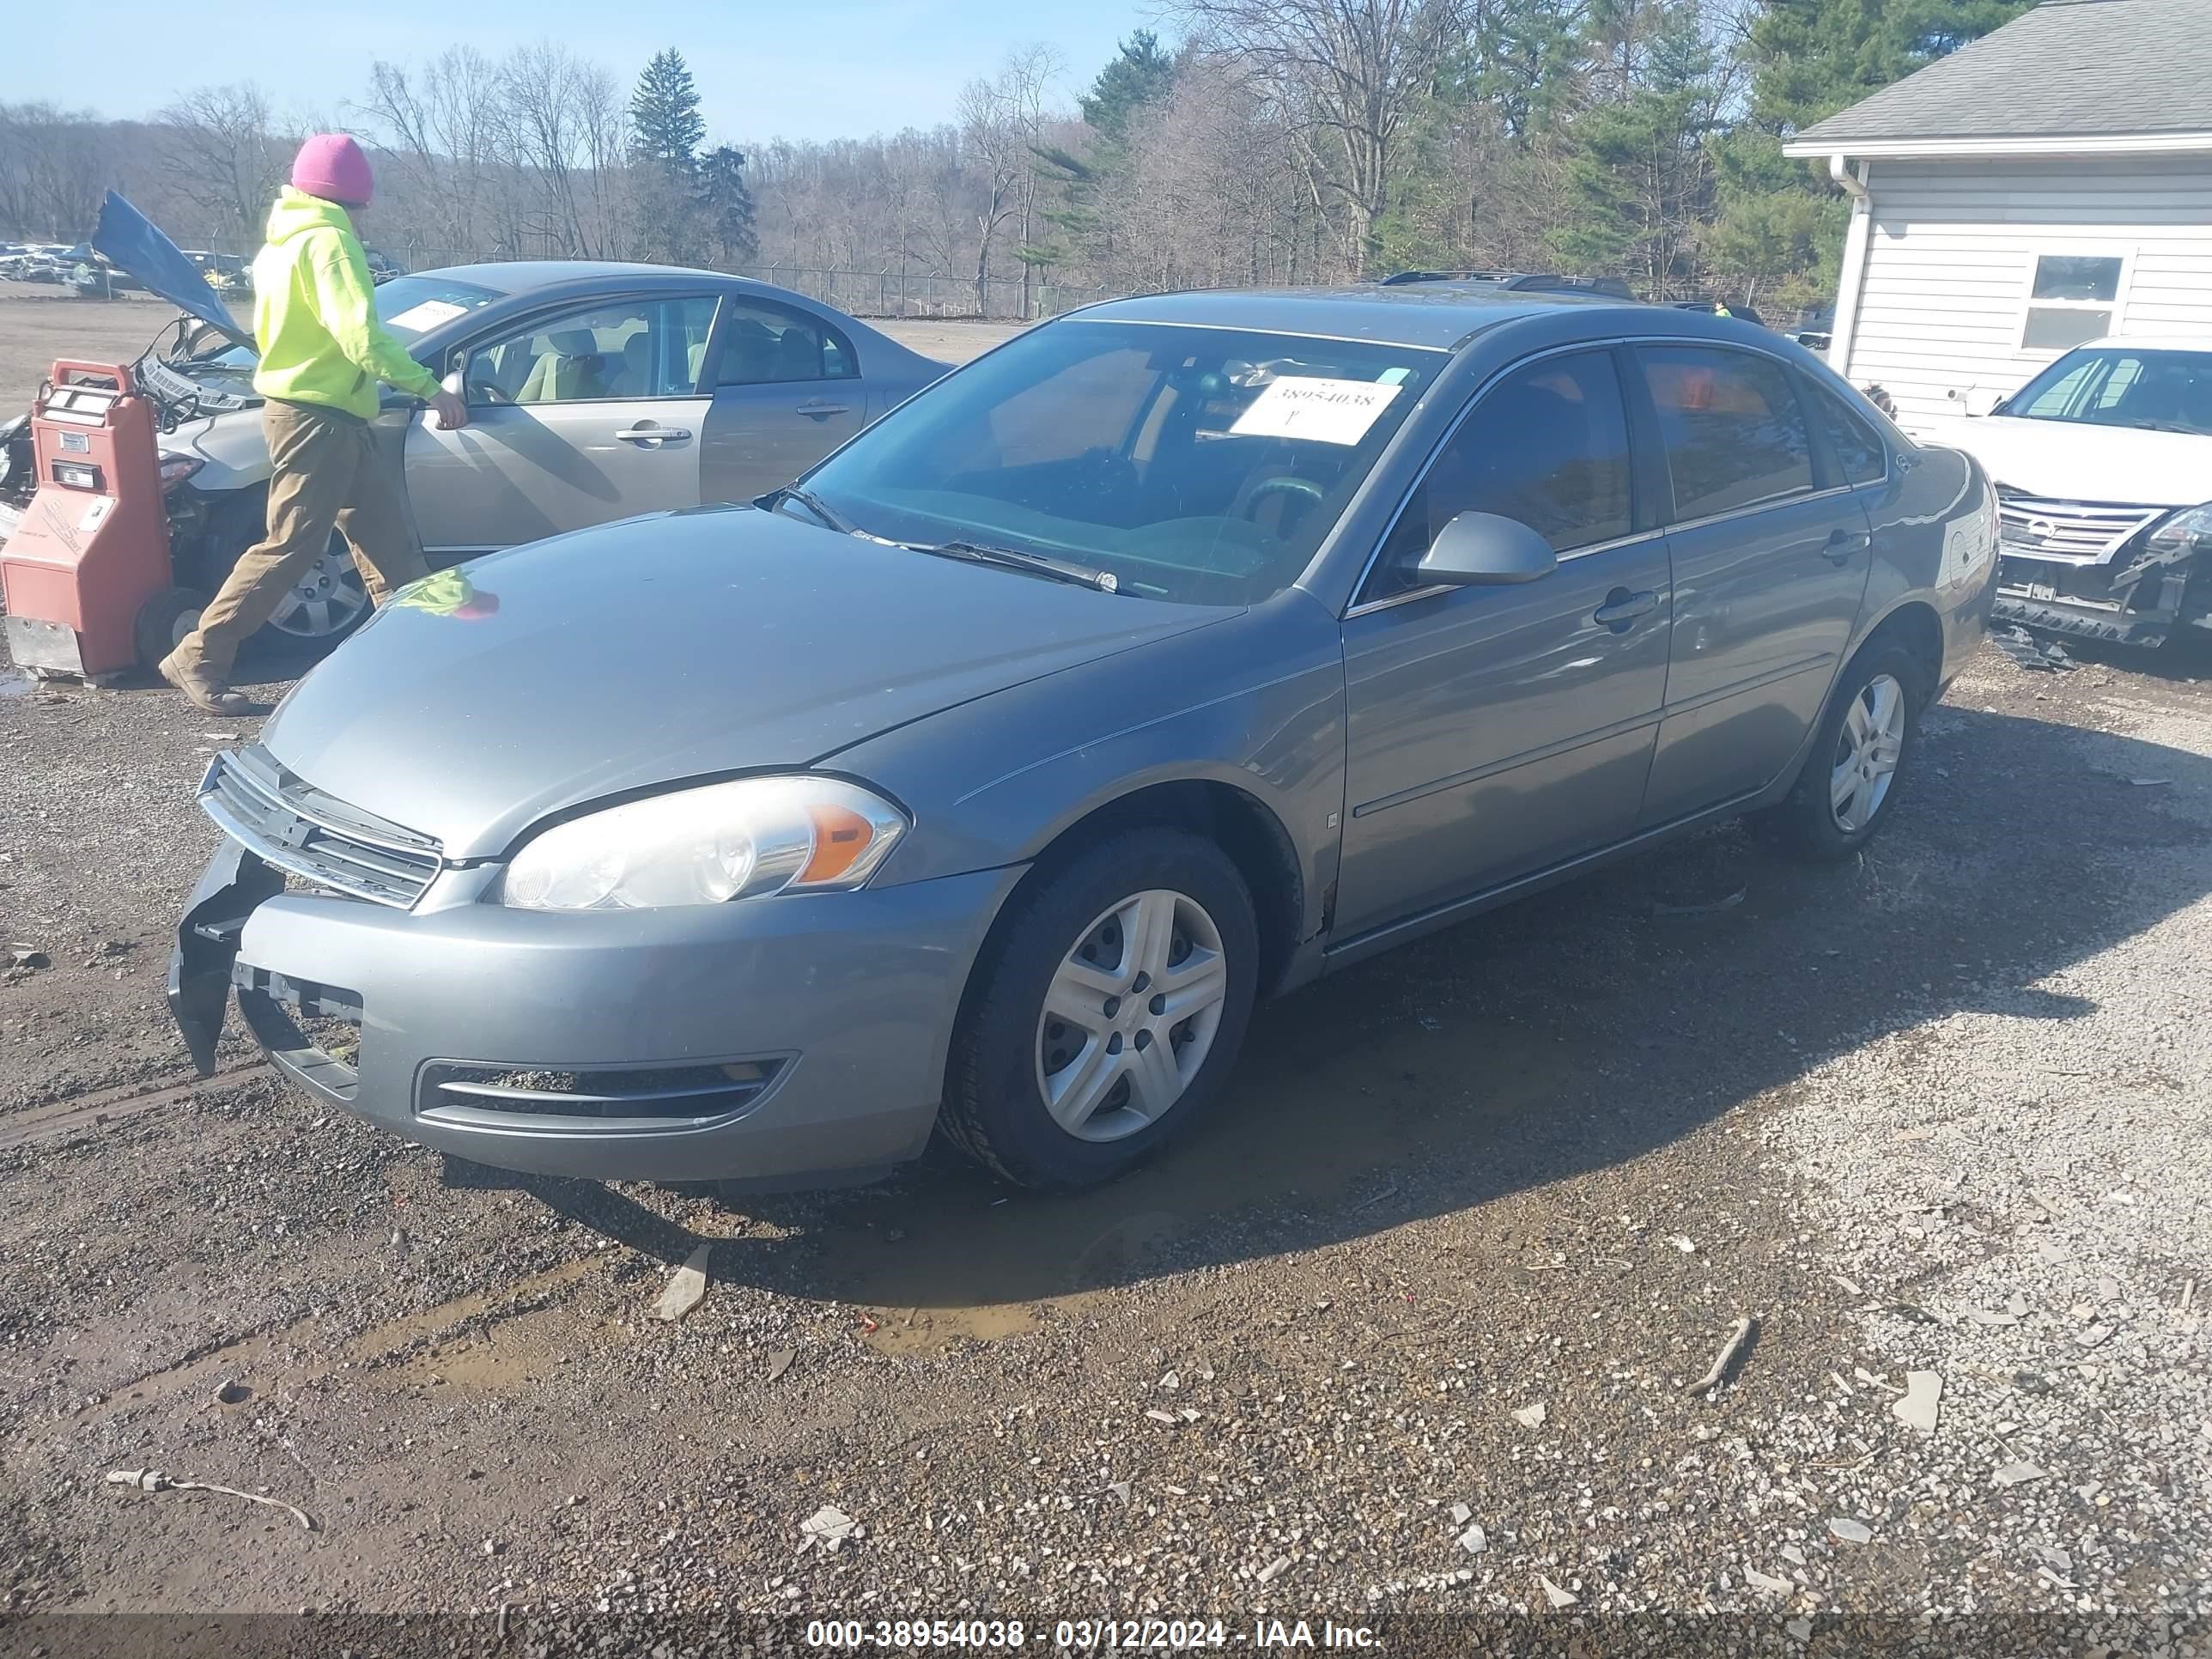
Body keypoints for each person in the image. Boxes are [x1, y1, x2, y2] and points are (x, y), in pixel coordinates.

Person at [160, 133, 466, 716]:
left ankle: (420, 660)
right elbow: (361, 337)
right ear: (358, 198)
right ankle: (199, 655)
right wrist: (429, 389)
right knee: (290, 547)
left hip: (333, 417)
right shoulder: (329, 242)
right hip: (315, 418)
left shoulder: (283, 242)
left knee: (388, 549)